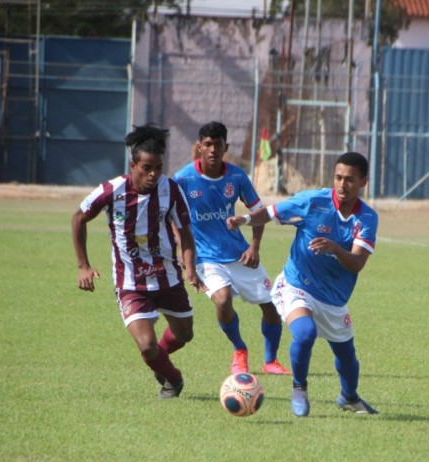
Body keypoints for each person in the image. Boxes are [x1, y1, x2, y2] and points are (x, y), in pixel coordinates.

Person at [227, 151, 379, 417]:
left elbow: (356, 263)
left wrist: (334, 248)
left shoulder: (366, 218)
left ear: (364, 182)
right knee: (305, 333)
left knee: (347, 359)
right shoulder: (313, 201)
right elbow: (272, 213)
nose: (342, 185)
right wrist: (246, 220)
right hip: (296, 284)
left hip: (333, 298)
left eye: (350, 180)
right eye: (338, 178)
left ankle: (349, 397)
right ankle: (299, 388)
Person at [71, 125, 206, 399]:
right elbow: (78, 218)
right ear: (133, 165)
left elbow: (186, 234)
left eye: (158, 167)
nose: (153, 174)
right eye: (146, 167)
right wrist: (83, 265)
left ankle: (160, 361)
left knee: (185, 335)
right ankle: (173, 379)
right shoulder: (112, 190)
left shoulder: (171, 190)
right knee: (146, 346)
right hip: (131, 282)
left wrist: (190, 267)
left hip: (168, 276)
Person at [173, 121, 291, 376]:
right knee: (223, 300)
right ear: (199, 147)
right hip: (206, 258)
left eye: (218, 144)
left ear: (225, 146)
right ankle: (240, 350)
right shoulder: (183, 179)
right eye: (208, 144)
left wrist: (254, 247)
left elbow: (258, 213)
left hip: (239, 254)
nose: (213, 149)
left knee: (271, 307)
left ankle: (270, 361)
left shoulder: (237, 176)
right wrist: (187, 259)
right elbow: (171, 217)